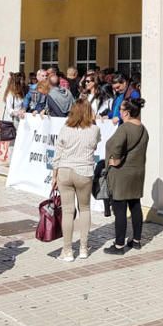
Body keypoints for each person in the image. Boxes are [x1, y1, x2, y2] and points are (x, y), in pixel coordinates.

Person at [52, 100, 102, 261]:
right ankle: (83, 248)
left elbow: (57, 154)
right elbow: (95, 146)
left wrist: (54, 175)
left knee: (67, 211)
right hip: (84, 172)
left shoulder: (65, 128)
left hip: (65, 170)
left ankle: (67, 251)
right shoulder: (94, 129)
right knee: (85, 209)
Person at [104, 98, 148, 255]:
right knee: (135, 205)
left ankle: (119, 245)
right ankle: (136, 240)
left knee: (120, 209)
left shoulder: (124, 129)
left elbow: (115, 146)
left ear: (127, 113)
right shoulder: (143, 129)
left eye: (121, 110)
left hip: (122, 174)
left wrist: (114, 159)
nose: (120, 113)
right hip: (137, 172)